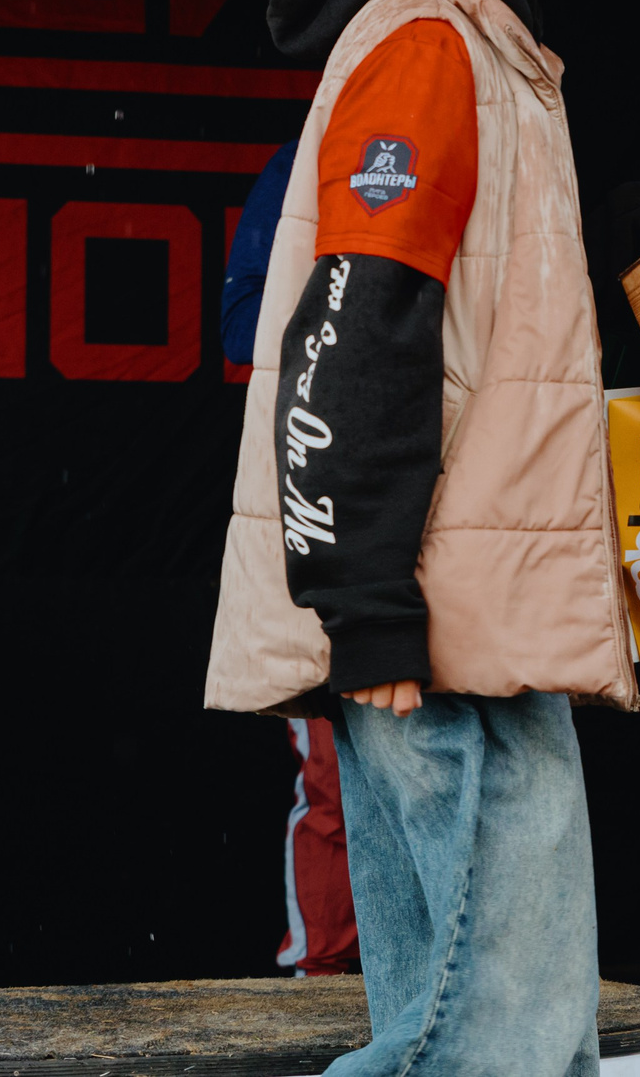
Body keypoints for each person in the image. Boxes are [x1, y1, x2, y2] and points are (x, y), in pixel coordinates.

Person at [202, 0, 633, 1076]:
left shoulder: (472, 43)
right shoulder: (432, 42)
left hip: (459, 599)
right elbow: (357, 334)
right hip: (428, 611)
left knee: (467, 1035)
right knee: (498, 1045)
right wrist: (369, 603)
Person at [222, 140, 362, 978]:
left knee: (482, 771)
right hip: (329, 495)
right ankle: (326, 991)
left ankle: (458, 1007)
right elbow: (242, 324)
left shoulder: (508, 131)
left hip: (466, 498)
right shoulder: (306, 160)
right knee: (338, 765)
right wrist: (360, 302)